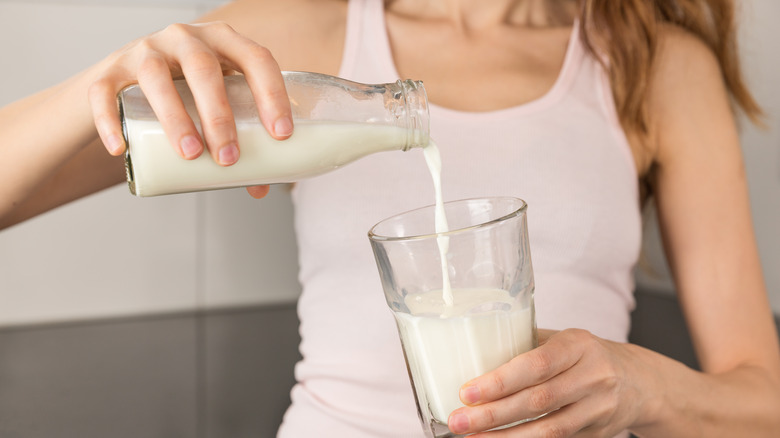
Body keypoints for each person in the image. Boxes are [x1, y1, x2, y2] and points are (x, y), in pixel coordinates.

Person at [1, 0, 779, 436]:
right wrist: (96, 88)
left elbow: (764, 402)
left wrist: (646, 388)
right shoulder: (306, 33)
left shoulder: (656, 64)